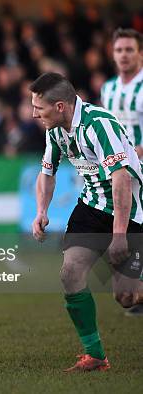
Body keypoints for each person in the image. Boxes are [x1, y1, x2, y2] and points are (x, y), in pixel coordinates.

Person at [31, 72, 143, 372]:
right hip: (91, 206)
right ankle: (95, 355)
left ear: (60, 107)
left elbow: (121, 180)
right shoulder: (55, 130)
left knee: (127, 297)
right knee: (70, 272)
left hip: (129, 211)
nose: (33, 114)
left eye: (38, 108)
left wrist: (119, 235)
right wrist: (41, 210)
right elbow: (47, 171)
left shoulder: (99, 124)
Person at [100, 28, 143, 317]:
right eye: (119, 50)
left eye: (129, 49)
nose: (124, 55)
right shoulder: (109, 89)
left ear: (140, 53)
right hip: (121, 173)